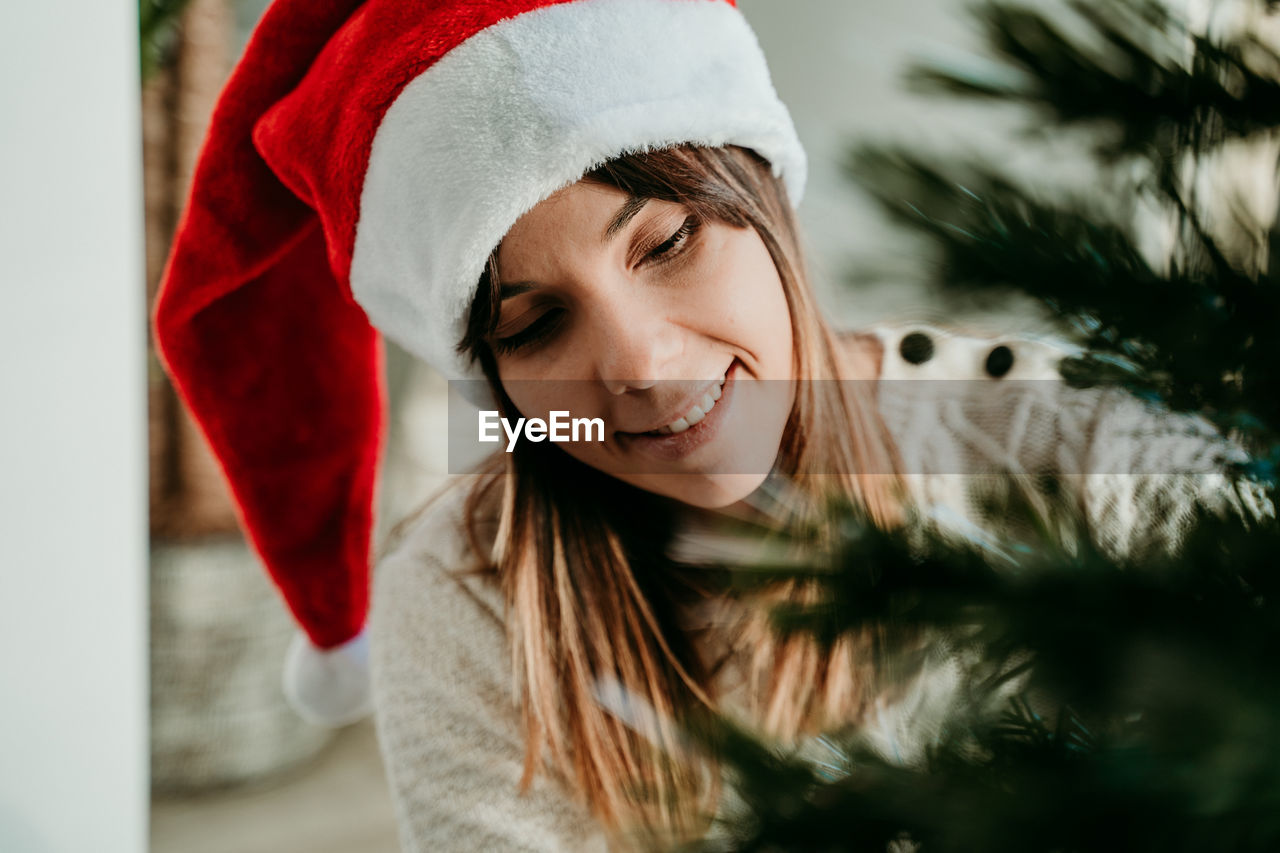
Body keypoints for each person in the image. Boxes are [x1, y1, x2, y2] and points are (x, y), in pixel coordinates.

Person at [150, 1, 1274, 851]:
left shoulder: (1091, 450)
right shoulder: (460, 597)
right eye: (536, 324)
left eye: (669, 243)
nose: (636, 364)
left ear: (764, 203)